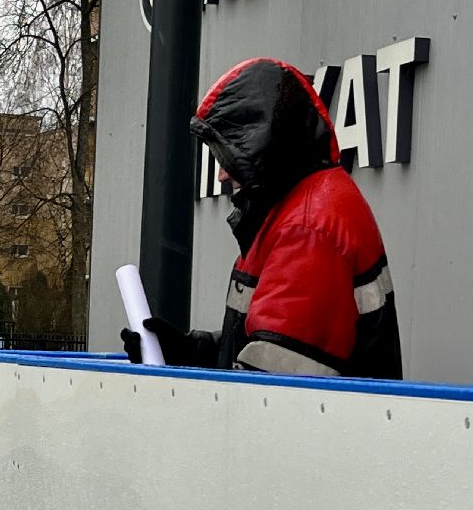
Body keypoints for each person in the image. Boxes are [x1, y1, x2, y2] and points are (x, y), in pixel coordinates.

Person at [123, 57, 402, 379]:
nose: (221, 175)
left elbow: (269, 390)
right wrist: (189, 351)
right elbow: (267, 353)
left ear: (262, 148)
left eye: (229, 156)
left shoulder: (307, 228)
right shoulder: (301, 212)